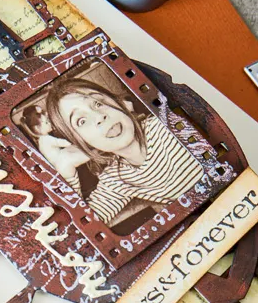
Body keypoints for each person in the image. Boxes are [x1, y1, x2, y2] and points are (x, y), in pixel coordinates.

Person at [20, 78, 204, 226]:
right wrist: (66, 172)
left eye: (98, 103)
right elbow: (82, 227)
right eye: (81, 121)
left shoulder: (166, 127)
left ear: (120, 103)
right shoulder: (116, 180)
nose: (99, 117)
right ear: (79, 142)